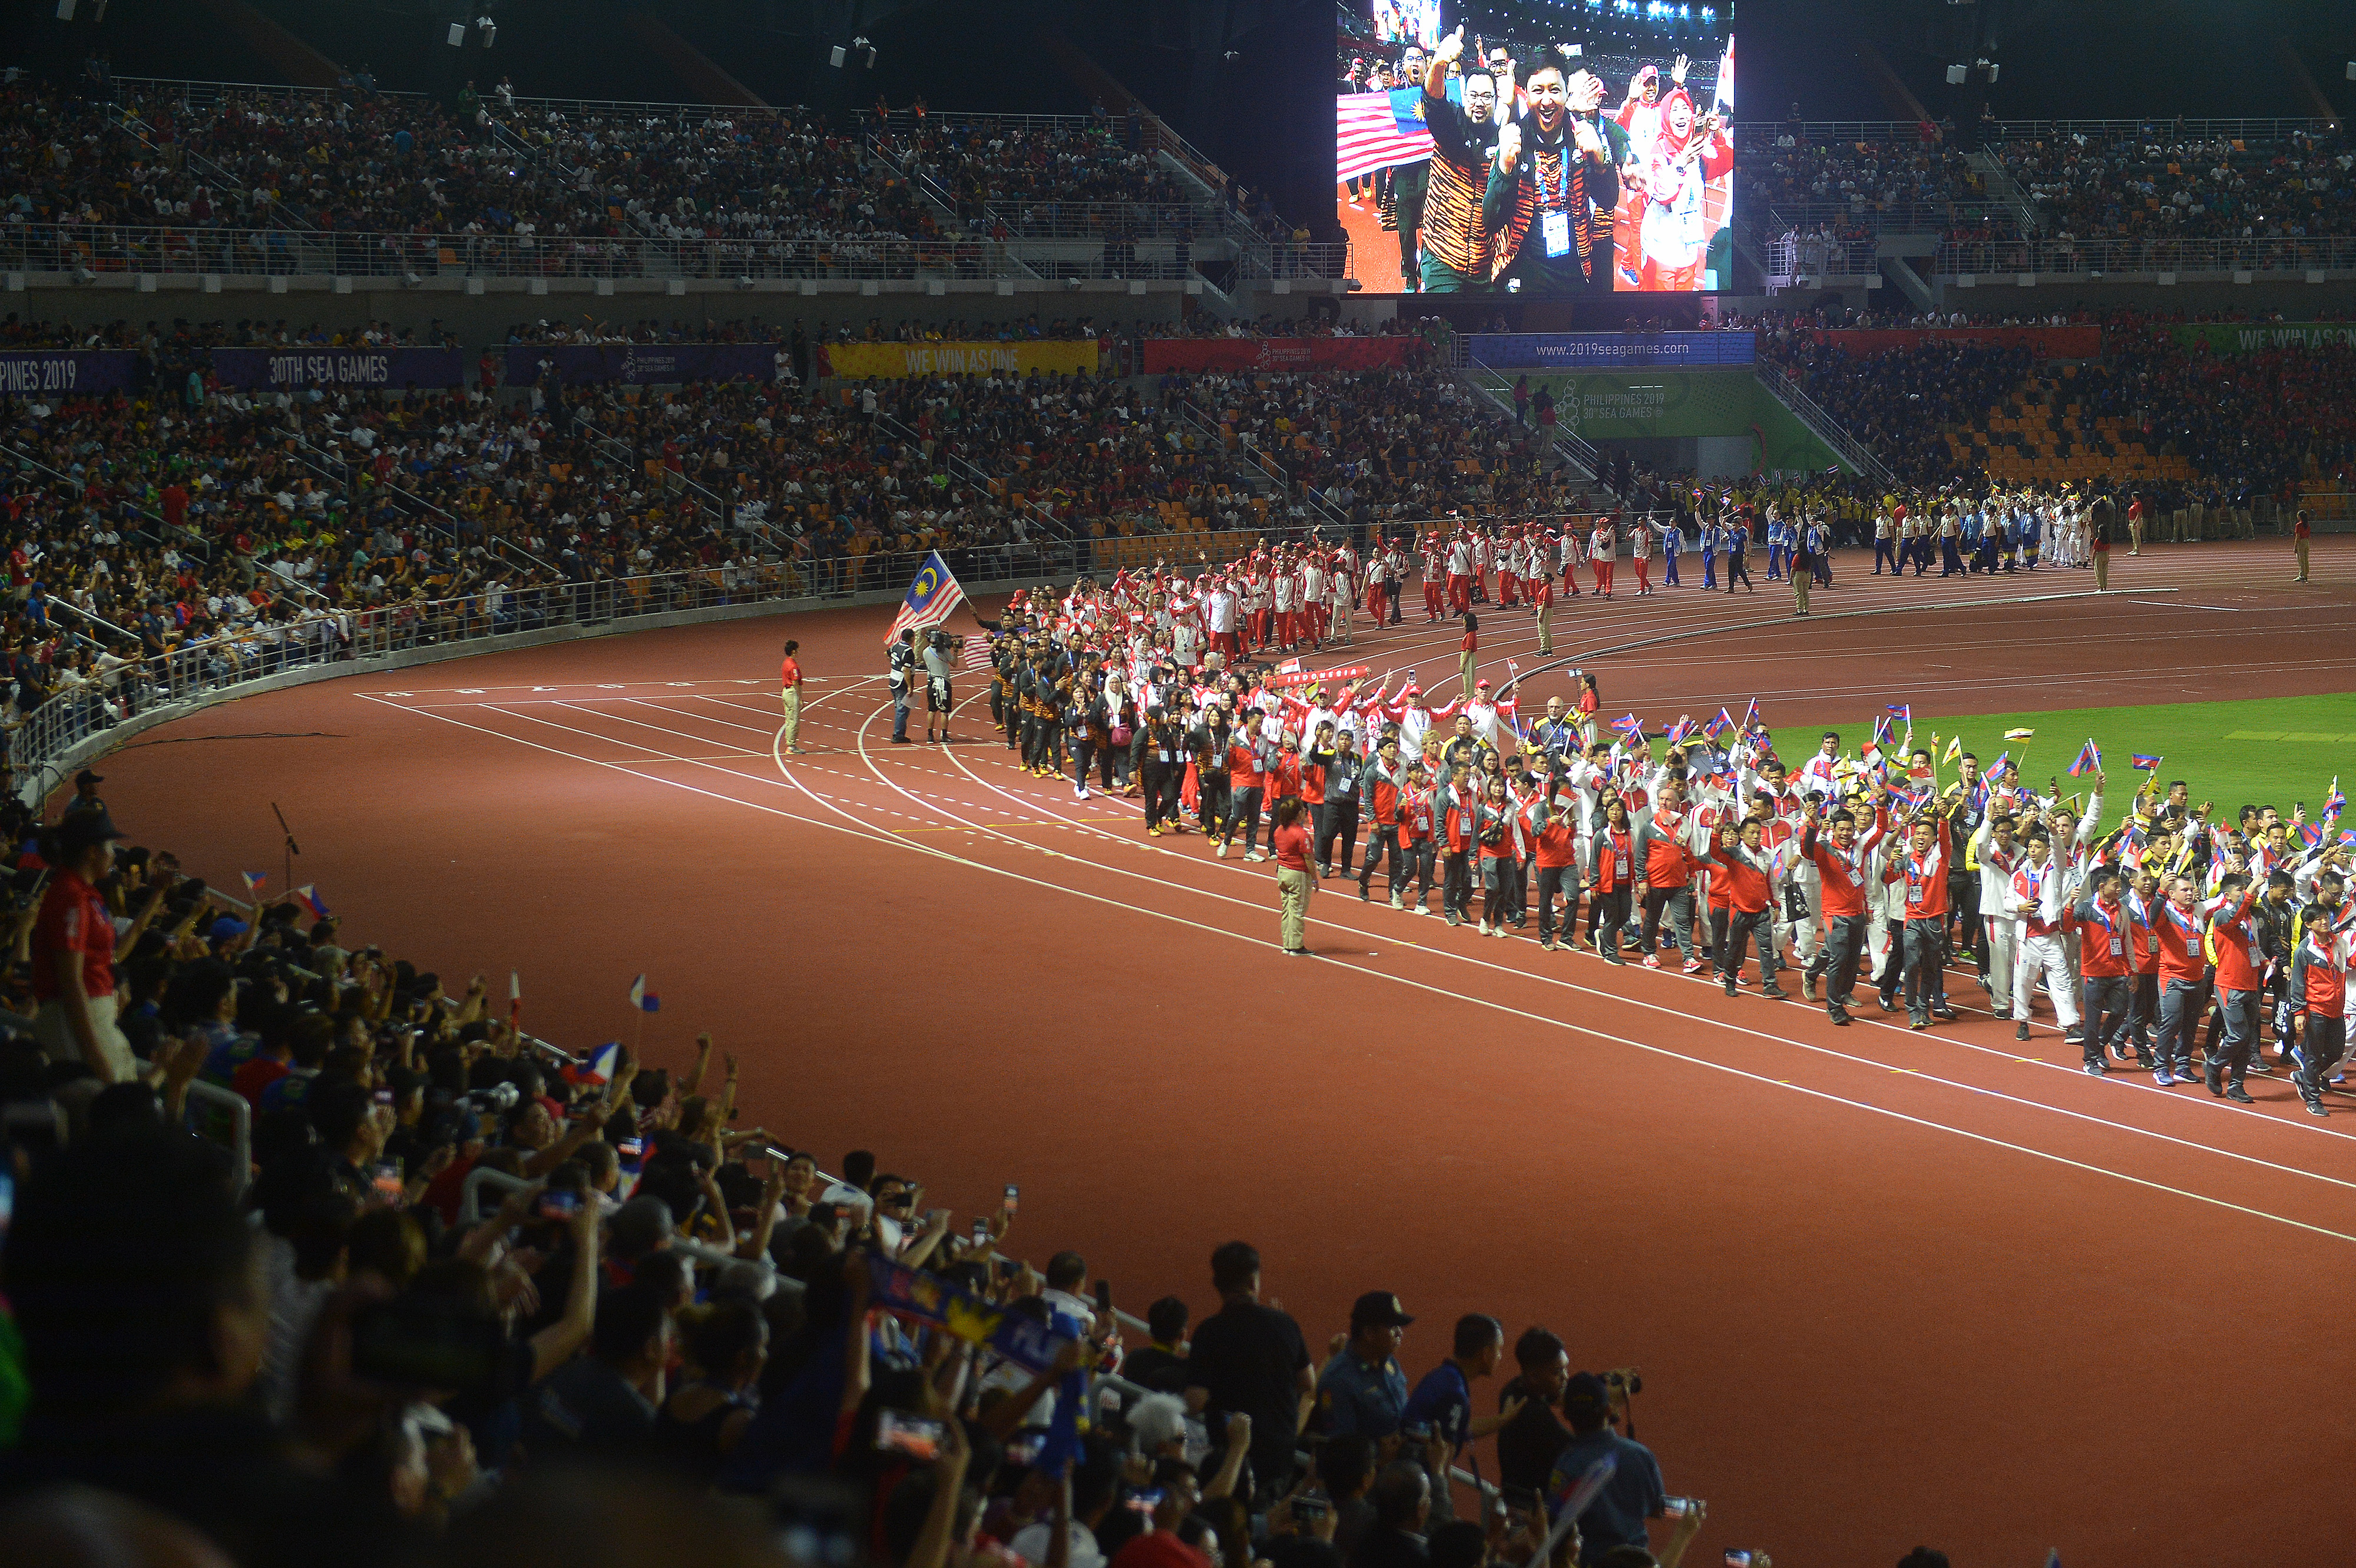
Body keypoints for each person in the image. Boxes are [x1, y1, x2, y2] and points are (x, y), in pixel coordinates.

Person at [1483, 50, 1621, 296]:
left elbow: (1609, 200)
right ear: (1527, 95)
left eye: (1554, 90)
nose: (1547, 101)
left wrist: (1601, 161)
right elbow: (1491, 220)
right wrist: (1503, 169)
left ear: (1566, 94)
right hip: (1524, 270)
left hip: (1576, 270)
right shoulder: (1515, 139)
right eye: (1538, 91)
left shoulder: (1584, 135)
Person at [1185, 1240, 1315, 1498]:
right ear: (1255, 1282)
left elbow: (1195, 1401)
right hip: (1279, 1457)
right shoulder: (1286, 1325)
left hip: (1231, 1457)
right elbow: (1308, 1382)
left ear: (1217, 1285)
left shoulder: (1209, 1332)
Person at [32, 808, 139, 1085]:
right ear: (92, 852)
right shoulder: (71, 895)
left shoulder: (82, 892)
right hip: (77, 1020)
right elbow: (71, 980)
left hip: (91, 1016)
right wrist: (95, 1056)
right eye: (110, 847)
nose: (114, 854)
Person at [1544, 1373, 1666, 1565]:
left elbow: (1558, 1519)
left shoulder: (1567, 1464)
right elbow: (1658, 1509)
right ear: (1609, 1410)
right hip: (1636, 1562)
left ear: (1566, 1415)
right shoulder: (1641, 1455)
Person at [1417, 30, 1498, 293]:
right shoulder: (1451, 124)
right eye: (1473, 95)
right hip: (1442, 256)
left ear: (1496, 101)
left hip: (1486, 263)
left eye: (1486, 96)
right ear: (1464, 97)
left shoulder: (1504, 136)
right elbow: (1433, 101)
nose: (1479, 103)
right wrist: (1439, 63)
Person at [1315, 1292, 1414, 1441]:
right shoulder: (1338, 1380)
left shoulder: (1388, 1361)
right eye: (1393, 1327)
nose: (1400, 1333)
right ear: (1369, 1333)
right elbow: (1340, 1447)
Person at [1272, 796, 1315, 956]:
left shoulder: (1279, 831)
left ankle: (1287, 943)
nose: (1306, 812)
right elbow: (1308, 858)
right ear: (1298, 815)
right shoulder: (1301, 834)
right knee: (1297, 910)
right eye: (1304, 811)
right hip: (1298, 875)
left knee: (1287, 909)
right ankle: (1296, 946)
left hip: (1282, 872)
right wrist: (1315, 878)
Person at [888, 627, 917, 745]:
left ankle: (899, 733)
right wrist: (910, 686)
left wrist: (894, 664)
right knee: (902, 709)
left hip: (893, 679)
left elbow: (887, 653)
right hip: (901, 682)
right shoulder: (908, 651)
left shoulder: (895, 646)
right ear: (911, 638)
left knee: (900, 708)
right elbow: (906, 670)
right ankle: (898, 735)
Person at [779, 639, 806, 755]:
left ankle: (790, 743)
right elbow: (796, 683)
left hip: (786, 691)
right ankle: (791, 746)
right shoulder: (793, 666)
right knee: (794, 720)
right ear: (794, 651)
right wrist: (800, 698)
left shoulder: (786, 663)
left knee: (789, 718)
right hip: (792, 693)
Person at [2293, 508, 2311, 583]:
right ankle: (2306, 574)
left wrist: (2295, 546)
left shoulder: (2299, 525)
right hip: (2307, 541)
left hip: (2301, 542)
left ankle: (2302, 575)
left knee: (2301, 560)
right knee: (2306, 559)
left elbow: (2298, 536)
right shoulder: (2307, 525)